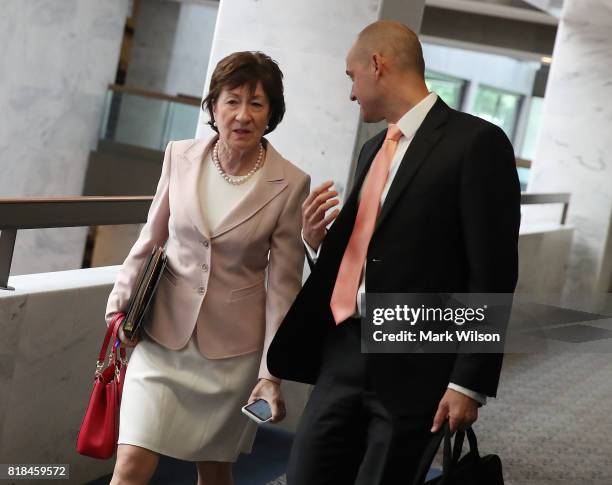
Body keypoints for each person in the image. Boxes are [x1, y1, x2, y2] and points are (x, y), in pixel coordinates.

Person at [267, 20, 521, 484]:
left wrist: (468, 382)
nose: (350, 93)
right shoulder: (371, 151)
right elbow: (374, 252)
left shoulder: (478, 144)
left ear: (376, 65)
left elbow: (494, 272)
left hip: (417, 359)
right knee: (306, 474)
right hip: (343, 349)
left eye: (351, 76)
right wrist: (319, 243)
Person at [104, 51, 310, 485]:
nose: (242, 115)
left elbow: (283, 287)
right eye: (232, 101)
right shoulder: (179, 156)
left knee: (214, 471)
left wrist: (271, 373)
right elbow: (151, 237)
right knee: (130, 466)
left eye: (257, 104)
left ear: (272, 113)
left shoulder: (291, 183)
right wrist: (118, 308)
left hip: (232, 354)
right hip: (161, 335)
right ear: (213, 106)